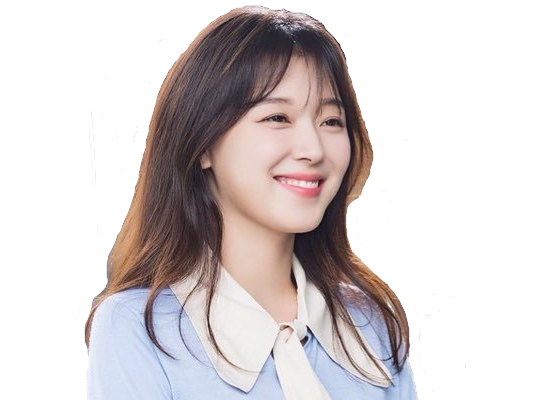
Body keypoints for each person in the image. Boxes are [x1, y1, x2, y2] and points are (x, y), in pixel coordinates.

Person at [85, 5, 418, 399]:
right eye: (277, 118)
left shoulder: (370, 325)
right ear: (203, 143)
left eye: (331, 121)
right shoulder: (136, 330)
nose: (313, 149)